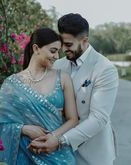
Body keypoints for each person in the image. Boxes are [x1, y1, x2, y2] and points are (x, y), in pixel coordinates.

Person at [29, 13, 119, 165]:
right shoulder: (58, 65)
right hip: (59, 154)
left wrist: (60, 140)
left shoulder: (104, 69)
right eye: (61, 43)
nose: (63, 49)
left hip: (93, 155)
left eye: (69, 45)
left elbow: (98, 119)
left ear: (84, 41)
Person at [0, 28, 79, 165]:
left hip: (58, 155)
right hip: (24, 155)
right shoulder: (11, 84)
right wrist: (23, 129)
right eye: (53, 51)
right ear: (36, 49)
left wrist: (53, 137)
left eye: (58, 52)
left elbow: (73, 119)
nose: (57, 57)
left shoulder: (63, 78)